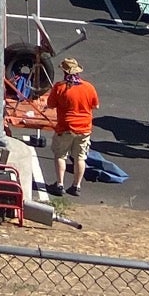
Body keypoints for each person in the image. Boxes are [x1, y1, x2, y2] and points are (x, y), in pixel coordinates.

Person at [47, 56, 100, 197]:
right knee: (80, 158)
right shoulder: (89, 87)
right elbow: (96, 105)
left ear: (64, 72)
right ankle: (76, 186)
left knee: (60, 155)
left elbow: (50, 105)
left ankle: (59, 185)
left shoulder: (59, 87)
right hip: (84, 128)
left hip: (65, 127)